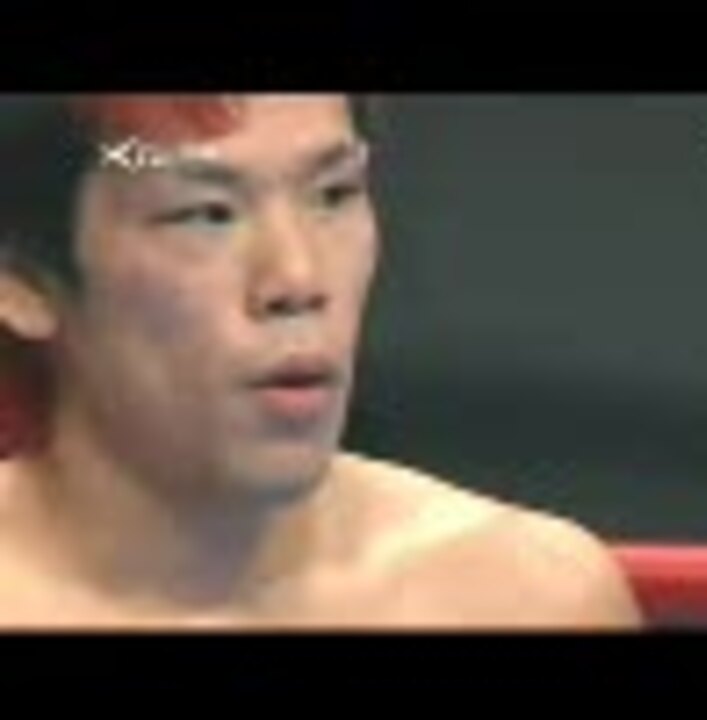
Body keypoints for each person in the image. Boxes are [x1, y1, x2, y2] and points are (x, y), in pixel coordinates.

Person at [0, 93, 643, 629]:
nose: (298, 278)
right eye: (207, 214)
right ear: (20, 282)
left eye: (333, 195)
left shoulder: (527, 599)